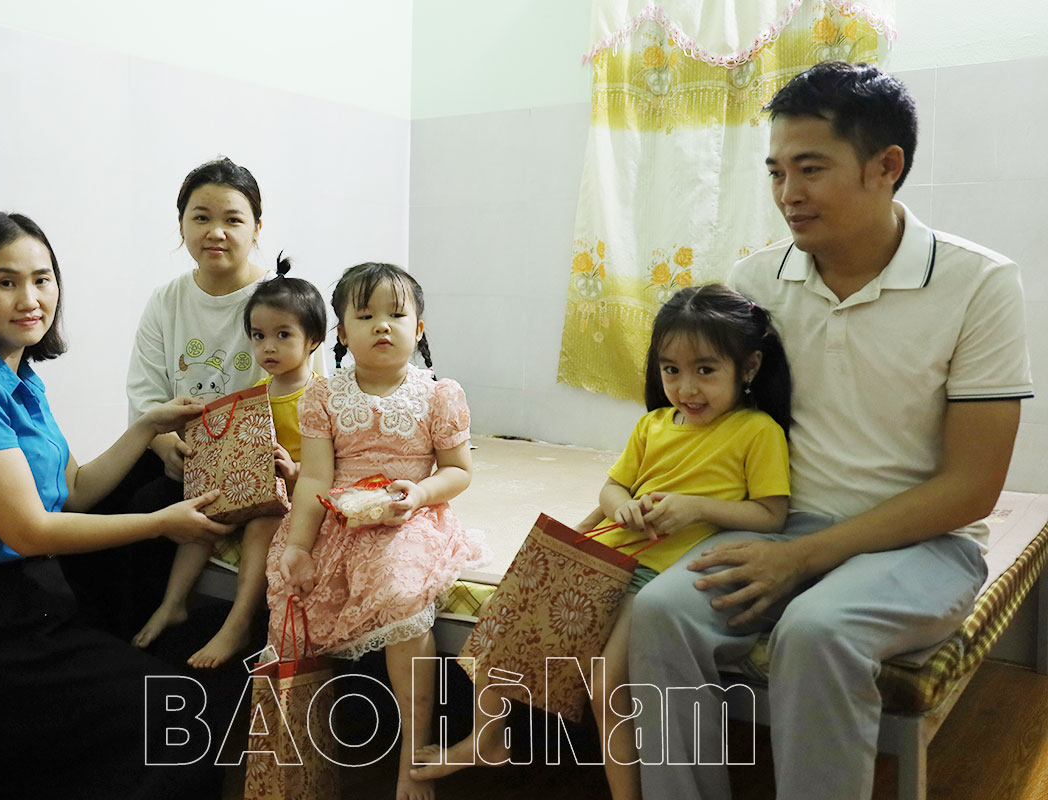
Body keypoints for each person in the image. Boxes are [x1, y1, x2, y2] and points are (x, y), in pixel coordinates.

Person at [628, 61, 1032, 800]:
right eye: (776, 171)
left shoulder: (978, 283)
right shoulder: (757, 282)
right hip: (785, 522)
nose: (788, 193)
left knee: (818, 630)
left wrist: (804, 558)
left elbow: (973, 487)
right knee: (659, 611)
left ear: (886, 166)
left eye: (810, 169)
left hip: (924, 544)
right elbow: (721, 424)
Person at [0, 212, 235, 800]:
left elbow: (75, 489)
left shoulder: (23, 378)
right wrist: (162, 523)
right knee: (174, 713)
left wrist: (146, 426)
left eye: (42, 279)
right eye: (6, 282)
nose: (30, 299)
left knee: (177, 705)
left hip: (39, 602)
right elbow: (30, 530)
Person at [411, 285, 793, 800]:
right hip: (606, 553)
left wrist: (698, 507)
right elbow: (612, 488)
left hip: (656, 575)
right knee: (504, 623)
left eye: (706, 370)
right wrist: (621, 506)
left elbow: (771, 514)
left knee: (606, 687)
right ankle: (488, 735)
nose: (687, 388)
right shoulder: (653, 425)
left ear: (748, 367)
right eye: (671, 370)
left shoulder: (757, 431)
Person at [61, 156, 320, 641]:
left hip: (254, 464)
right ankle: (91, 640)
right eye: (201, 217)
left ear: (257, 228)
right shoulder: (167, 300)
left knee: (149, 510)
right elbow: (145, 393)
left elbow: (312, 395)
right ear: (182, 225)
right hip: (178, 451)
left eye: (232, 219)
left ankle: (150, 636)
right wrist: (166, 447)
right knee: (95, 507)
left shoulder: (282, 301)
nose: (215, 232)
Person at [267, 262, 486, 800]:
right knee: (291, 594)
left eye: (396, 314)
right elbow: (315, 476)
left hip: (409, 516)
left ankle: (414, 752)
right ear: (342, 333)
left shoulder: (439, 394)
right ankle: (299, 759)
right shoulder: (323, 395)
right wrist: (298, 545)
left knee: (400, 594)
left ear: (419, 327)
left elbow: (458, 471)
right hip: (337, 518)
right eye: (365, 316)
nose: (382, 325)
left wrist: (421, 494)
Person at [134, 255, 327, 668]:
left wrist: (295, 473)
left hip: (295, 496)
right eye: (258, 336)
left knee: (260, 527)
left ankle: (237, 623)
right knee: (203, 515)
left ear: (313, 340)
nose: (268, 346)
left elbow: (329, 465)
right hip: (256, 487)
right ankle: (173, 603)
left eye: (283, 335)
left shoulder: (320, 396)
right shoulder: (259, 390)